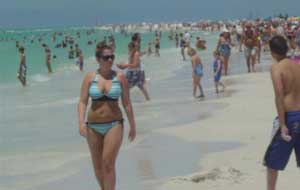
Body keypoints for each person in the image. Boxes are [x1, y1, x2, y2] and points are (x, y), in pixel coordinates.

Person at [77, 42, 136, 190]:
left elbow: (127, 103)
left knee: (108, 163)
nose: (110, 60)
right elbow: (82, 101)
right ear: (98, 59)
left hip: (114, 124)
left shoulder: (120, 77)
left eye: (112, 57)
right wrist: (81, 123)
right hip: (93, 127)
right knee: (97, 166)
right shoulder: (90, 78)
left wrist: (132, 125)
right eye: (106, 57)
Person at [263, 36, 300, 190]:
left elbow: (279, 96)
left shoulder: (276, 68)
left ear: (272, 52)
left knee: (272, 163)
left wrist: (283, 124)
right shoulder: (297, 64)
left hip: (290, 117)